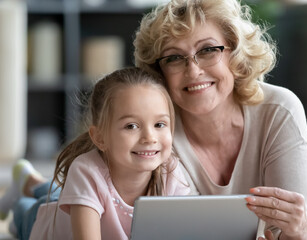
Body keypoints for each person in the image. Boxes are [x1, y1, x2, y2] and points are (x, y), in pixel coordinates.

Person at [133, 0, 307, 239]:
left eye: (208, 50)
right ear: (159, 73)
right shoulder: (154, 132)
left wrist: (297, 230)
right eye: (174, 58)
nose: (193, 71)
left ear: (235, 53)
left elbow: (292, 231)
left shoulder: (279, 111)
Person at [0, 67, 190, 240]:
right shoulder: (86, 170)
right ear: (99, 138)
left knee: (61, 194)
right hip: (45, 224)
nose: (150, 138)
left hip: (74, 197)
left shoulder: (170, 171)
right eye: (131, 126)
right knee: (26, 209)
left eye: (160, 124)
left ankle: (29, 180)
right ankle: (24, 187)